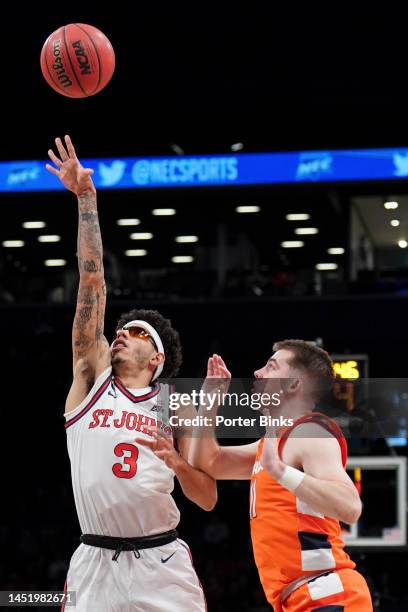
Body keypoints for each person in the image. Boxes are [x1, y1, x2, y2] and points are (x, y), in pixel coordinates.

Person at [46, 135, 215, 611]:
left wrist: (180, 464)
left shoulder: (176, 406)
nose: (120, 333)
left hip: (160, 562)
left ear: (156, 358)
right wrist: (86, 198)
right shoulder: (91, 380)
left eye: (135, 333)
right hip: (94, 560)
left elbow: (207, 499)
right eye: (119, 329)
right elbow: (92, 276)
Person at [189, 342, 373, 611]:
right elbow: (206, 462)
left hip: (329, 596)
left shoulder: (310, 433)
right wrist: (208, 402)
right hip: (299, 599)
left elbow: (351, 506)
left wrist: (282, 472)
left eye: (271, 366)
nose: (258, 372)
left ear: (292, 384)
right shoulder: (272, 444)